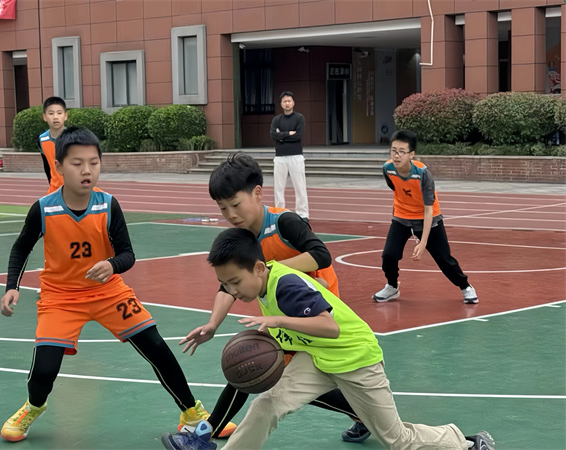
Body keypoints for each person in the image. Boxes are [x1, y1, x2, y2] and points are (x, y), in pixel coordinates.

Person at [0, 127, 232, 442]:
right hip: (61, 297)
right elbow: (21, 248)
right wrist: (12, 285)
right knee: (44, 371)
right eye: (77, 163)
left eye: (93, 163)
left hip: (108, 292)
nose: (87, 170)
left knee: (156, 347)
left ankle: (191, 413)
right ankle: (33, 406)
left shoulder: (108, 205)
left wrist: (111, 264)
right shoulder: (44, 208)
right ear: (59, 167)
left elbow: (127, 254)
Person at [187, 227, 495, 450]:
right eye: (225, 284)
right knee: (267, 404)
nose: (232, 290)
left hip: (356, 359)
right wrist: (266, 330)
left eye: (235, 282)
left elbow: (329, 327)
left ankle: (465, 442)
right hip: (319, 358)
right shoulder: (263, 282)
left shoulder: (285, 285)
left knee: (397, 440)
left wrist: (276, 321)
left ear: (258, 268)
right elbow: (304, 313)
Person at [161, 154, 370, 450]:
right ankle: (362, 413)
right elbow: (227, 285)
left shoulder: (284, 222)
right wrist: (212, 325)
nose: (230, 213)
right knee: (253, 367)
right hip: (282, 315)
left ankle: (201, 438)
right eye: (223, 208)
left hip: (316, 312)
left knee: (254, 367)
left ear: (258, 193)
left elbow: (321, 255)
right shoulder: (241, 238)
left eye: (236, 204)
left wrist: (272, 270)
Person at [373, 130, 478, 304]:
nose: (396, 156)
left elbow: (428, 210)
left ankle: (465, 286)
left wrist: (422, 242)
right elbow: (397, 191)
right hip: (402, 216)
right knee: (389, 255)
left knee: (444, 259)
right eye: (393, 151)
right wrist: (395, 218)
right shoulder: (388, 169)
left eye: (401, 152)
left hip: (428, 217)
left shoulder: (422, 173)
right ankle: (392, 286)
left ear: (411, 154)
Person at [270, 91, 309, 220]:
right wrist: (288, 134)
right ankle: (279, 212)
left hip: (296, 156)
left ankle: (303, 214)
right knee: (278, 187)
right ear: (281, 104)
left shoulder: (299, 118)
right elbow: (273, 135)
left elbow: (298, 136)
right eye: (284, 101)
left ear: (293, 103)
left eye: (289, 101)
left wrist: (281, 136)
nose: (287, 103)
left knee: (300, 186)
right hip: (280, 157)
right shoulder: (276, 120)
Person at [39, 96, 68, 194]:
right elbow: (47, 166)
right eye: (51, 113)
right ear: (44, 117)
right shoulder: (42, 139)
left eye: (59, 113)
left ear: (65, 116)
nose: (55, 117)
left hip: (73, 189)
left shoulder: (73, 138)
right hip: (54, 190)